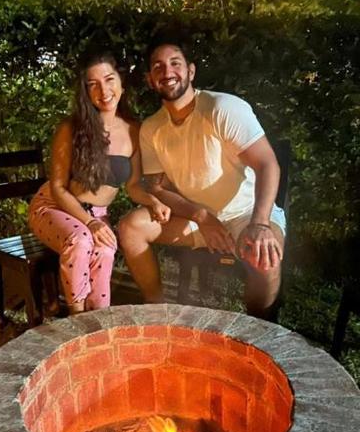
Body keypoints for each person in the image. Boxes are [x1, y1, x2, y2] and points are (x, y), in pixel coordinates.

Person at [116, 36, 285, 318]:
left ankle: (259, 328)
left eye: (174, 63)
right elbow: (156, 188)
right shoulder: (152, 128)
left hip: (244, 214)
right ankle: (157, 313)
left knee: (265, 255)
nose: (167, 72)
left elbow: (268, 164)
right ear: (150, 79)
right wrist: (202, 217)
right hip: (195, 218)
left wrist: (259, 223)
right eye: (158, 67)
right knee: (131, 227)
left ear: (191, 71)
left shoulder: (222, 108)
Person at [28, 50, 171, 314]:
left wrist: (153, 201)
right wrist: (90, 222)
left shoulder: (133, 130)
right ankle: (76, 316)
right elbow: (58, 187)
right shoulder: (70, 129)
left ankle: (96, 317)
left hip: (97, 214)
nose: (103, 90)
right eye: (93, 84)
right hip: (54, 207)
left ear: (121, 83)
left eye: (109, 79)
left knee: (105, 250)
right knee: (81, 240)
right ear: (85, 92)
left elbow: (133, 186)